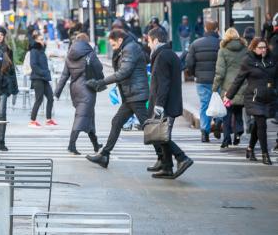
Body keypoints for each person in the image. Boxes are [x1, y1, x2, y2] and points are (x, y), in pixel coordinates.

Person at [84, 29, 150, 168]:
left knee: (150, 129)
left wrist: (100, 82)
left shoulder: (129, 49)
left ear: (120, 40)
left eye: (113, 45)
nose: (113, 48)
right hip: (131, 95)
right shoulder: (126, 48)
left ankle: (175, 157)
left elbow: (123, 72)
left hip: (136, 95)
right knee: (117, 122)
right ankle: (104, 155)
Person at [146, 27, 194, 179]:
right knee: (162, 135)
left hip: (165, 104)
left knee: (162, 136)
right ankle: (167, 167)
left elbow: (164, 83)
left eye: (149, 41)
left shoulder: (162, 56)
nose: (148, 45)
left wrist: (159, 105)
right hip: (169, 102)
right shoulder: (168, 54)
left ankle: (182, 158)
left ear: (156, 40)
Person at [225, 38, 277, 165]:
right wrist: (229, 96)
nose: (263, 50)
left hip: (269, 97)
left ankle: (250, 148)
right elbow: (239, 79)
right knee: (262, 124)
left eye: (264, 47)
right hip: (254, 98)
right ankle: (265, 154)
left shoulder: (272, 59)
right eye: (260, 47)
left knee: (258, 124)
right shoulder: (248, 61)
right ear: (254, 48)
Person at [54, 33, 103, 154]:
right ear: (86, 42)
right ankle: (71, 145)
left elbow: (65, 75)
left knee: (89, 117)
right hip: (87, 89)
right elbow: (99, 67)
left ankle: (95, 144)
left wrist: (57, 91)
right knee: (81, 117)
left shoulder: (70, 55)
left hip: (75, 89)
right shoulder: (89, 53)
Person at [186, 20, 221, 143]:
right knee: (218, 102)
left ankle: (204, 133)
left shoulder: (196, 44)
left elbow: (189, 63)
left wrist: (195, 73)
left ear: (205, 29)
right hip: (218, 79)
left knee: (205, 104)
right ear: (217, 29)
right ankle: (218, 123)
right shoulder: (221, 44)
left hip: (202, 80)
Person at [213, 28, 247, 149]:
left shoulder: (223, 51)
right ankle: (238, 131)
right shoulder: (245, 49)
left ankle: (226, 140)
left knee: (226, 115)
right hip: (242, 85)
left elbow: (220, 72)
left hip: (228, 88)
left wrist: (214, 87)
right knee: (238, 111)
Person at [29, 33, 56, 127]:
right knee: (39, 99)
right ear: (36, 41)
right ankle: (32, 121)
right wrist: (43, 73)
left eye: (43, 39)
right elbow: (33, 65)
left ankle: (49, 120)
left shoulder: (41, 51)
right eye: (40, 39)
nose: (42, 41)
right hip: (38, 78)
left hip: (44, 78)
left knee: (50, 98)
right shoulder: (34, 50)